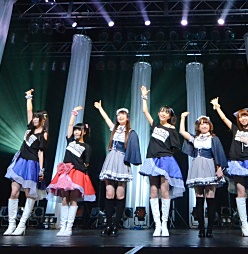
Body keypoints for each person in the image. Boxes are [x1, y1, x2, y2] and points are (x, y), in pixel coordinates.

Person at [211, 97, 248, 237]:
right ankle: (245, 225)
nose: (243, 119)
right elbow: (224, 119)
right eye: (241, 117)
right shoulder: (236, 130)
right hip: (237, 162)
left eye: (245, 116)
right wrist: (217, 107)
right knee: (240, 192)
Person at [139, 86, 184, 237]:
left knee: (164, 191)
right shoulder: (155, 125)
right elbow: (145, 111)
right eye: (161, 111)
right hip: (152, 159)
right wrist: (144, 96)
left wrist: (166, 155)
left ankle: (164, 224)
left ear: (170, 115)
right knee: (153, 191)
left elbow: (175, 146)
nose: (163, 113)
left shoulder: (172, 129)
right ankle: (157, 224)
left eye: (166, 112)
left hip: (165, 160)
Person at [3, 89, 48, 236]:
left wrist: (41, 170)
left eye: (37, 118)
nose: (34, 119)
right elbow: (29, 110)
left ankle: (22, 225)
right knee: (14, 192)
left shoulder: (43, 134)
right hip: (20, 161)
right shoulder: (30, 128)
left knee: (30, 194)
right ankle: (11, 224)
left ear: (43, 120)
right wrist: (29, 96)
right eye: (34, 117)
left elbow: (41, 152)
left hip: (32, 163)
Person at [95, 100, 142, 236]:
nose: (120, 117)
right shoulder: (114, 130)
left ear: (127, 118)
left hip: (122, 161)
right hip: (111, 160)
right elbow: (107, 119)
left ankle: (116, 225)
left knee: (120, 195)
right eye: (119, 115)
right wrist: (100, 108)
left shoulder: (130, 132)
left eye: (123, 115)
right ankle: (108, 225)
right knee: (109, 194)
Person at [47, 105, 95, 237]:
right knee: (64, 199)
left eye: (79, 130)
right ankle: (62, 226)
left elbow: (87, 162)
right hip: (66, 172)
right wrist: (74, 113)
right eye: (76, 130)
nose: (76, 132)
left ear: (84, 132)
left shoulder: (87, 147)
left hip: (77, 172)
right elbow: (69, 125)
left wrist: (81, 169)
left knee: (73, 199)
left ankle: (69, 227)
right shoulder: (70, 141)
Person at [179, 112, 227, 238]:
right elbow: (182, 132)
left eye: (206, 123)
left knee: (210, 199)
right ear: (198, 127)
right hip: (197, 167)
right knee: (199, 199)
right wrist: (183, 118)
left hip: (209, 166)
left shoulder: (213, 138)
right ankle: (201, 229)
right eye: (201, 124)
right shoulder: (195, 138)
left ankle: (210, 229)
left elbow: (219, 153)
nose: (204, 126)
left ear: (210, 125)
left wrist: (219, 168)